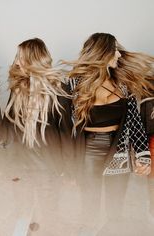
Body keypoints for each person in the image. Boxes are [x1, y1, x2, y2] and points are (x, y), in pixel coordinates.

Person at [67, 32, 154, 233]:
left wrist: (144, 157)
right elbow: (66, 125)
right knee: (89, 207)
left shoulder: (124, 85)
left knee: (115, 209)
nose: (118, 55)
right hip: (88, 150)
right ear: (103, 53)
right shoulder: (74, 85)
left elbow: (135, 123)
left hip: (118, 151)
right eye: (114, 50)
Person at [3, 38, 72, 151]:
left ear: (34, 60)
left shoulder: (58, 89)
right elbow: (7, 127)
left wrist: (67, 167)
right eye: (17, 58)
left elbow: (66, 134)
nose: (16, 63)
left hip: (48, 162)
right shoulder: (17, 88)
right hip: (18, 162)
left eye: (21, 58)